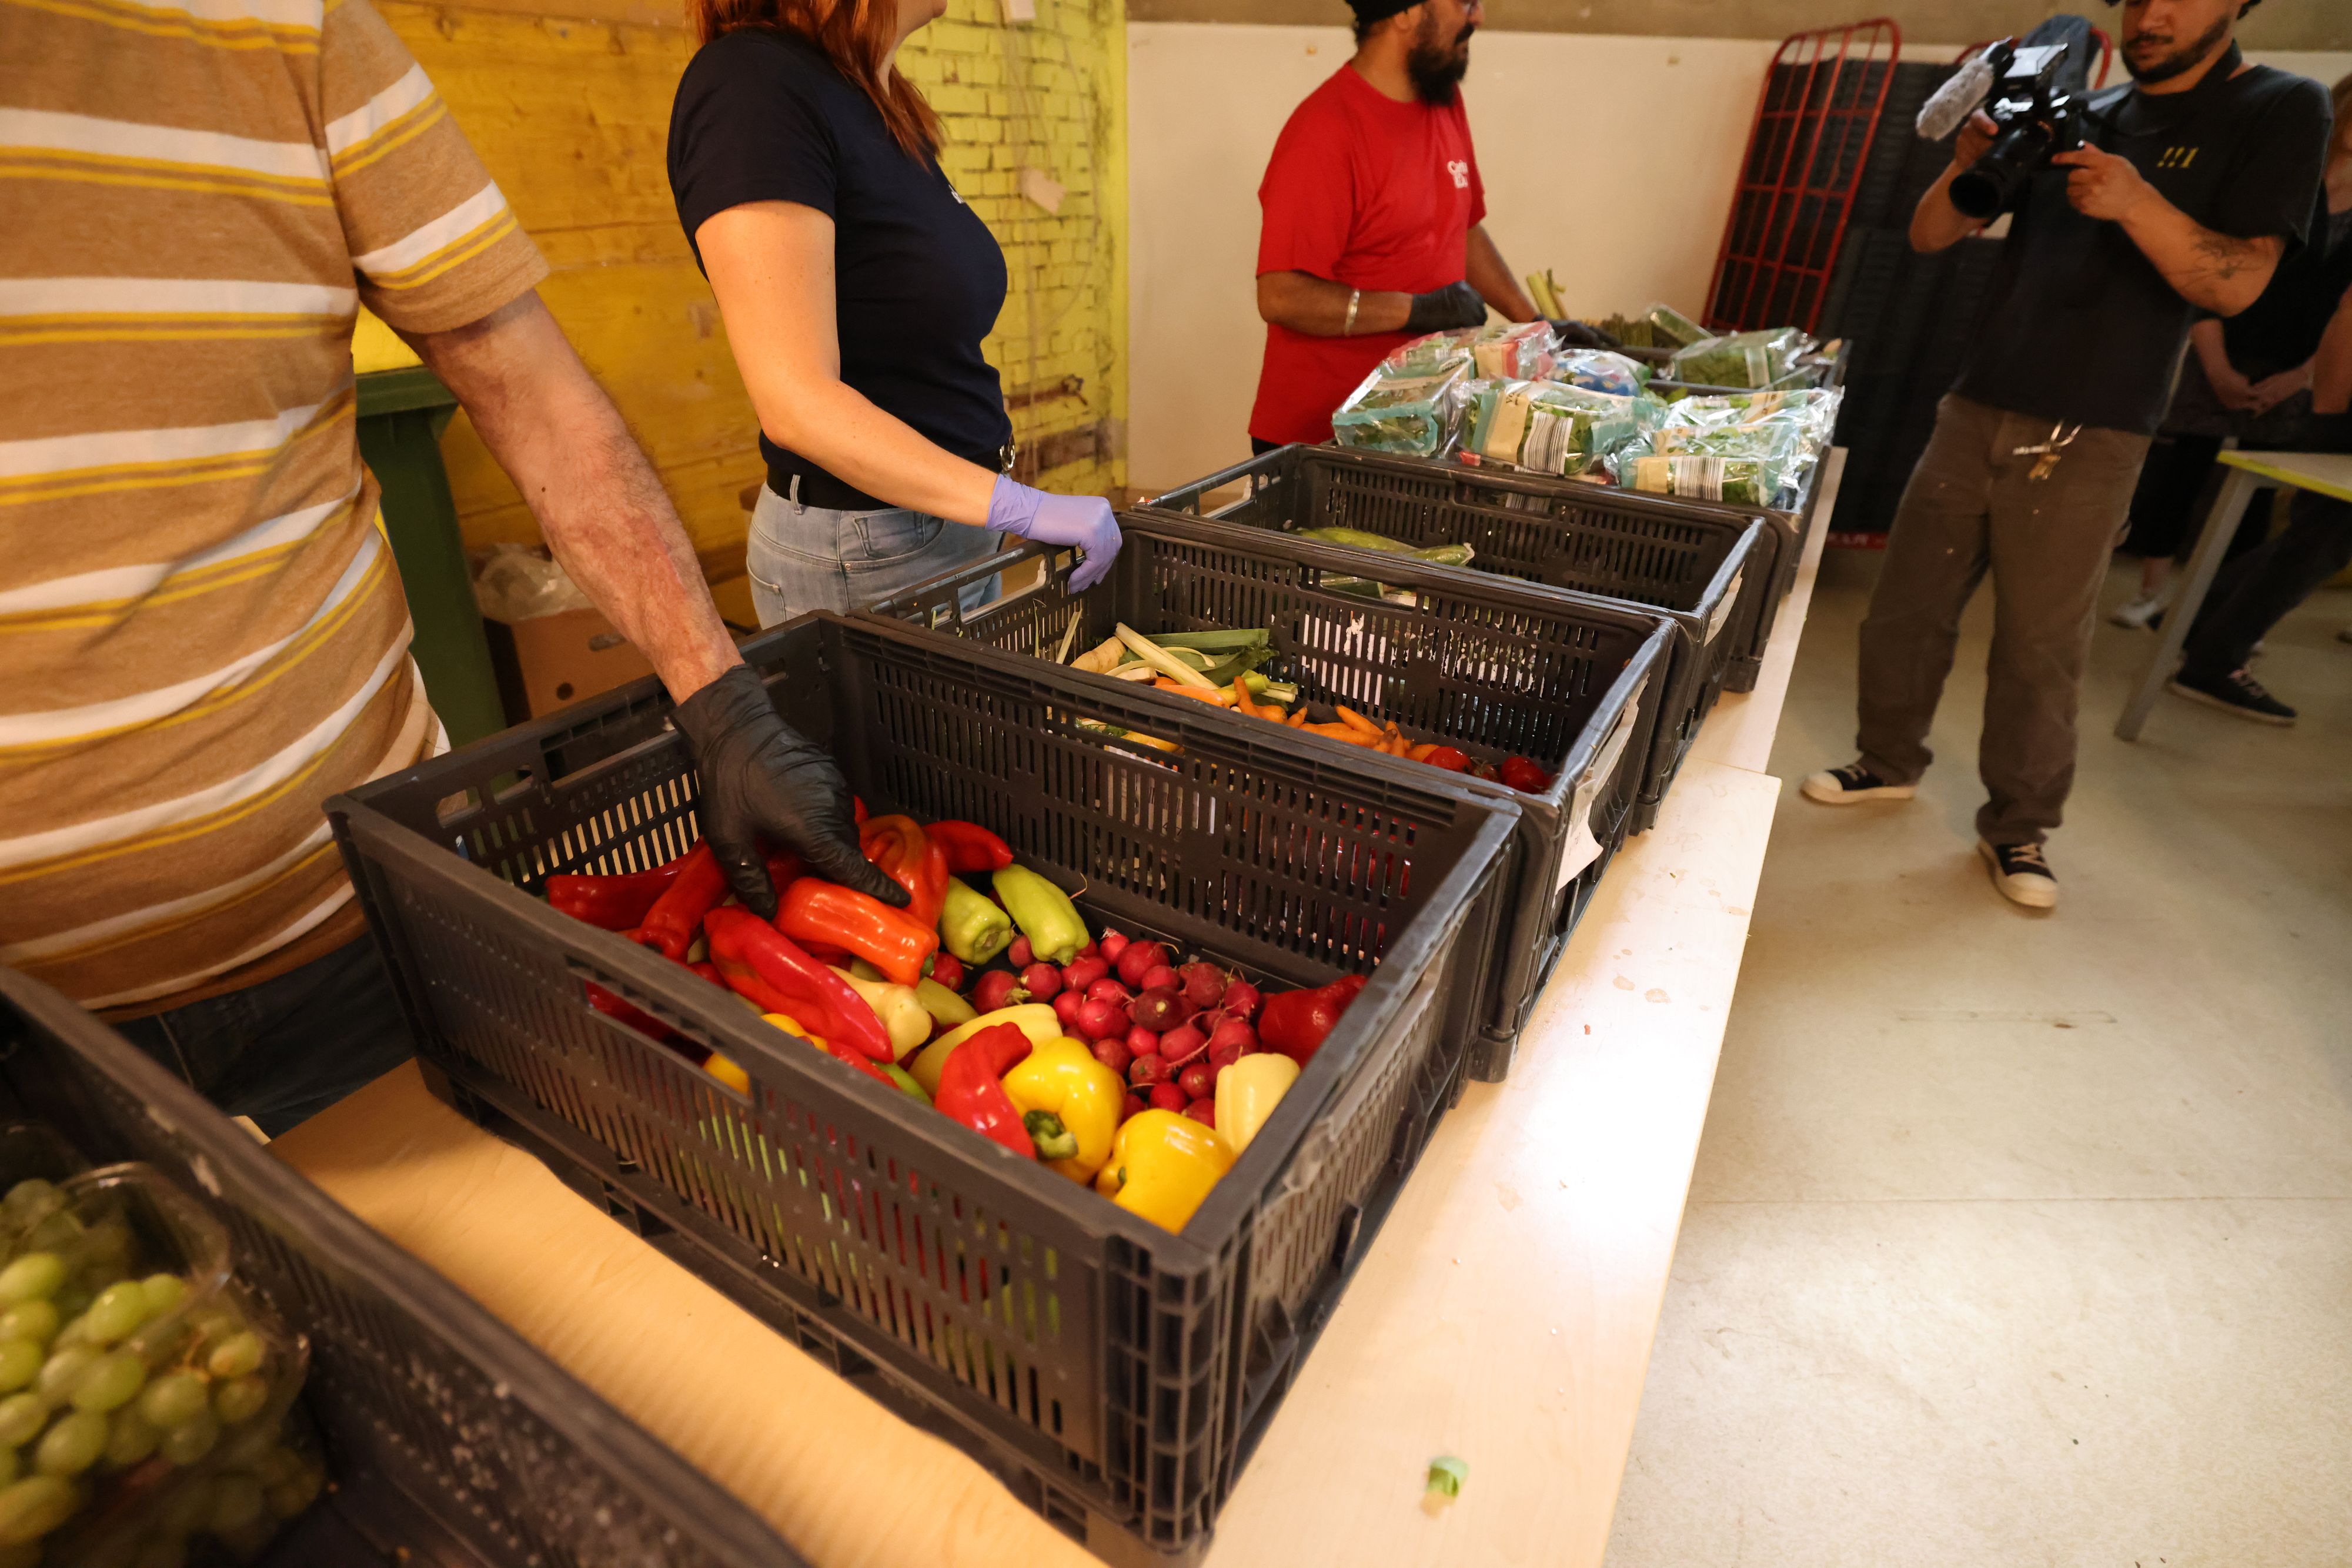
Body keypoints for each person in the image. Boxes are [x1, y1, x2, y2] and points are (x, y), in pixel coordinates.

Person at [0, 0, 901, 1133]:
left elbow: (536, 403)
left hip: (354, 928)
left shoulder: (290, 29)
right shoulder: (757, 91)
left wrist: (723, 701)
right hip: (30, 1041)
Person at [1800, 0, 2331, 911]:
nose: (2151, 12)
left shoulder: (2282, 106)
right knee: (1906, 607)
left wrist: (2134, 200)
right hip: (1978, 397)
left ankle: (2018, 828)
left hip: (2097, 423)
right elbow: (1934, 234)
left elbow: (2239, 282)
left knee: (2039, 645)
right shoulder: (2088, 105)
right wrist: (1968, 168)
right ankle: (1886, 760)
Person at [668, 0, 1120, 627]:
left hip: (945, 527)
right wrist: (1017, 505)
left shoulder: (871, 97)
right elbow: (796, 401)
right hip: (867, 550)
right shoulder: (753, 86)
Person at [1245, 0, 1547, 454]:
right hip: (1326, 439)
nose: (1478, 16)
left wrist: (1538, 327)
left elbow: (1460, 229)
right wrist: (1415, 310)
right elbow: (1281, 295)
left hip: (1416, 424)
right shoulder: (1324, 131)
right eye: (1464, 2)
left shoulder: (1443, 103)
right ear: (1405, 12)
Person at [2113, 68, 2352, 629]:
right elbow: (2211, 269)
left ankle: (2214, 610)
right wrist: (2215, 363)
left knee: (2255, 497)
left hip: (2296, 364)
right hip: (2223, 338)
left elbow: (2345, 313)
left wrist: (2301, 377)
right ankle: (2153, 591)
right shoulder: (2289, 178)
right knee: (2179, 471)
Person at [2167, 270, 2352, 722]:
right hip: (2345, 413)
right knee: (2322, 541)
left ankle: (2199, 623)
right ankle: (2213, 661)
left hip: (2339, 407)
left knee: (2316, 539)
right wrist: (2329, 412)